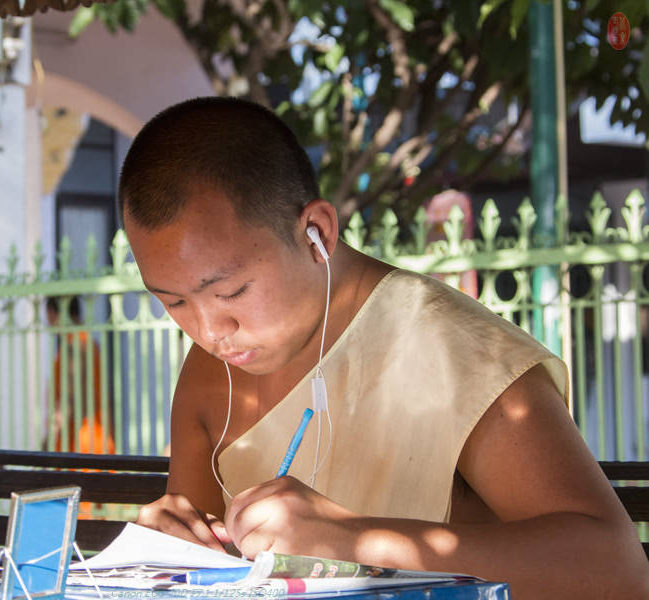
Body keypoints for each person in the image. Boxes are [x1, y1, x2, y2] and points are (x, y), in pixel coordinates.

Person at [120, 97, 649, 599]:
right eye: (175, 303)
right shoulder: (213, 370)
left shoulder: (452, 349)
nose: (211, 331)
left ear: (316, 233)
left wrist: (354, 540)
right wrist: (171, 544)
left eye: (231, 292)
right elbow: (207, 565)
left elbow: (617, 570)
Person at [43, 296, 115, 455]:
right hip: (95, 441)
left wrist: (49, 438)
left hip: (78, 445)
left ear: (55, 313)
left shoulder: (74, 346)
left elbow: (67, 401)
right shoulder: (89, 344)